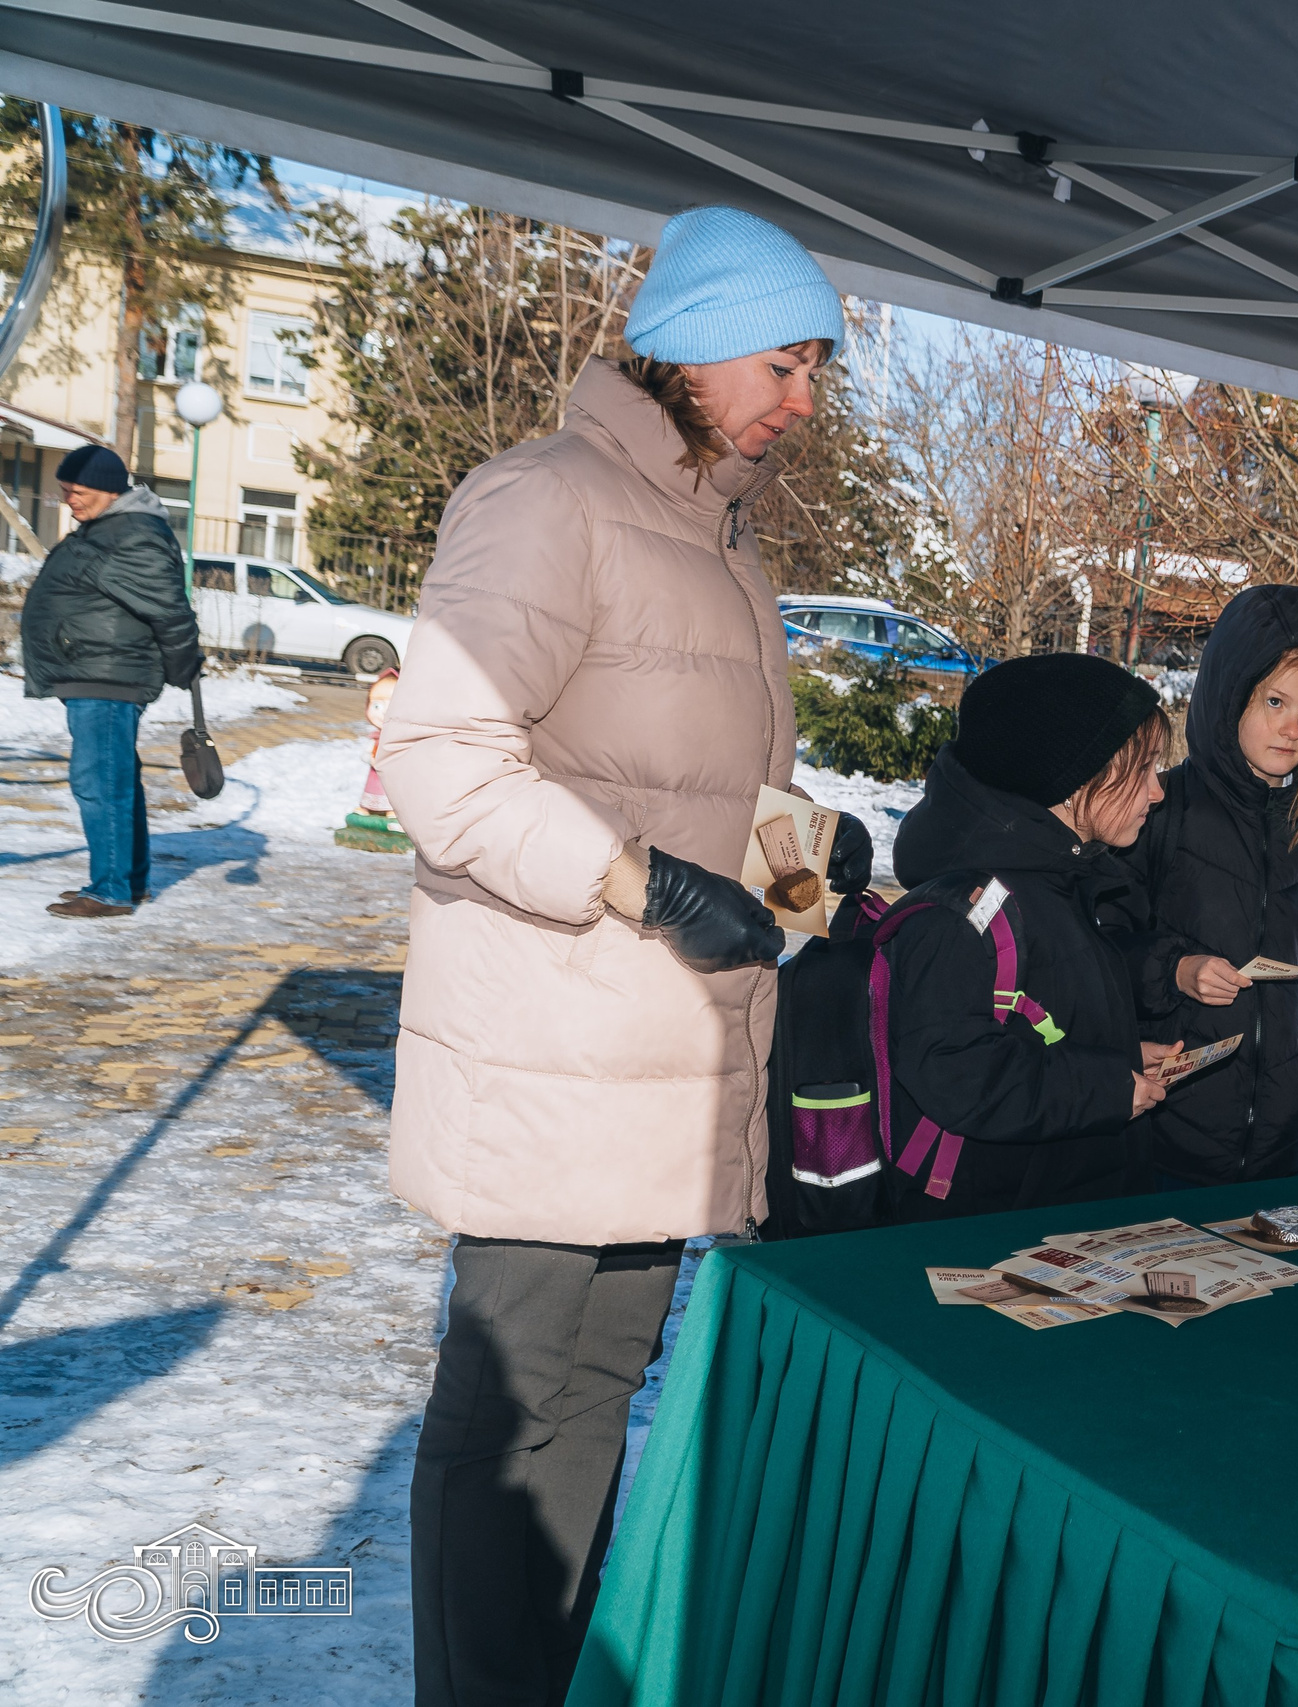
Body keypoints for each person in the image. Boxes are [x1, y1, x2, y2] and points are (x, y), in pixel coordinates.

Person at [375, 205, 843, 1707]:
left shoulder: (733, 544)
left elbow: (716, 779)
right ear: (692, 351)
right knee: (507, 1407)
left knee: (595, 1396)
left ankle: (544, 1675)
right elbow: (443, 768)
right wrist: (642, 881)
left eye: (815, 369)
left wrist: (816, 860)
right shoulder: (543, 499)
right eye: (783, 362)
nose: (803, 402)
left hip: (671, 1055)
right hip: (547, 1044)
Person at [877, 653, 1173, 1220]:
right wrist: (1104, 1089)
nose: (1156, 792)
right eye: (1141, 769)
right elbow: (957, 1071)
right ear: (1070, 777)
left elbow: (1035, 1026)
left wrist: (1118, 1060)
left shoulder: (1063, 880)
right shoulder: (966, 912)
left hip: (1066, 1225)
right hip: (997, 1239)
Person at [1113, 585, 1298, 1185]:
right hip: (1158, 1147)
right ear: (1230, 694)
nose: (1292, 729)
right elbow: (1095, 945)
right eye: (1274, 701)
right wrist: (1175, 969)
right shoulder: (1159, 810)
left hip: (1283, 1156)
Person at [18, 443, 203, 920]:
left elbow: (168, 607)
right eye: (64, 492)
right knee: (114, 779)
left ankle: (111, 890)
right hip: (95, 672)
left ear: (104, 488)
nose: (68, 501)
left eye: (75, 491)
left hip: (109, 675)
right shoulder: (109, 529)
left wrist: (185, 665)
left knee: (100, 781)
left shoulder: (132, 533)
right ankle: (126, 880)